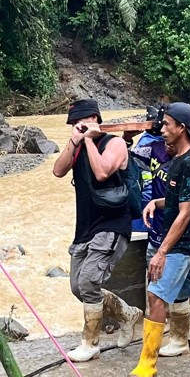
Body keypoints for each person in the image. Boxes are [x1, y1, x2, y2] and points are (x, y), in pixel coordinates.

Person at [129, 104, 190, 377]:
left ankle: (147, 364)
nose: (162, 129)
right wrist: (156, 203)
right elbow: (178, 200)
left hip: (181, 244)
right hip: (180, 241)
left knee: (156, 296)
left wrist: (162, 252)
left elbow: (187, 212)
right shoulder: (180, 158)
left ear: (181, 128)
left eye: (167, 124)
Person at [53, 99, 142, 362]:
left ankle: (90, 343)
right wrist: (75, 142)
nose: (76, 127)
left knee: (89, 281)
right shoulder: (78, 147)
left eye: (80, 122)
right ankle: (127, 314)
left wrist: (91, 140)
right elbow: (58, 171)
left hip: (112, 223)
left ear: (94, 118)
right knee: (77, 287)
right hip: (86, 226)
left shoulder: (113, 144)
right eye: (72, 124)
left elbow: (102, 172)